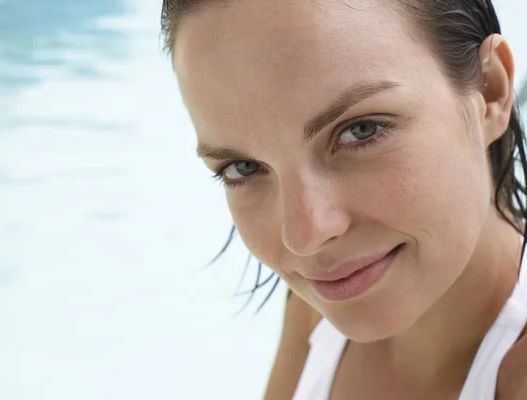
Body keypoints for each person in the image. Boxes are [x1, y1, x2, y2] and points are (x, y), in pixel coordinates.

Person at [160, 0, 527, 399]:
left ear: (490, 90)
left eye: (360, 131)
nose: (304, 236)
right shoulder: (328, 301)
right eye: (243, 168)